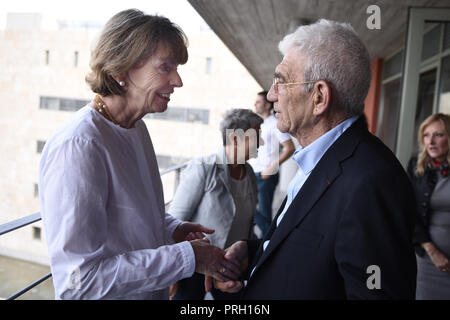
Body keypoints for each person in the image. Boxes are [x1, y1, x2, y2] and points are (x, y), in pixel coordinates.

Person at [207, 19, 417, 299]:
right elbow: (316, 252)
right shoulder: (321, 157)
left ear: (319, 97)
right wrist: (255, 251)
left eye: (280, 81)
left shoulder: (372, 182)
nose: (271, 95)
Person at [38, 9, 240, 300]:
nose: (178, 81)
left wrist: (172, 230)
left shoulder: (135, 128)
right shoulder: (79, 145)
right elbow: (78, 284)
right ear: (121, 70)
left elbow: (129, 219)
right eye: (165, 67)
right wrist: (187, 258)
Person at [168, 108, 262, 300]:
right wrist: (172, 276)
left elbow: (247, 223)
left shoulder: (250, 173)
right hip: (196, 267)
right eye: (256, 137)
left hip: (231, 267)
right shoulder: (204, 167)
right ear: (236, 139)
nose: (262, 142)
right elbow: (175, 222)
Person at [407, 113, 450, 300]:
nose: (431, 141)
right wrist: (433, 252)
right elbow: (409, 212)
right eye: (426, 135)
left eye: (438, 135)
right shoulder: (417, 167)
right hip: (429, 259)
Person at [249, 91, 295, 238]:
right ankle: (268, 238)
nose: (255, 104)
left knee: (264, 213)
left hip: (266, 175)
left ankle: (267, 244)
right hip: (252, 172)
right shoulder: (256, 124)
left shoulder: (275, 123)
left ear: (268, 105)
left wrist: (272, 167)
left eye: (258, 101)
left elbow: (290, 148)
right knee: (247, 208)